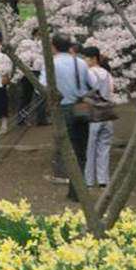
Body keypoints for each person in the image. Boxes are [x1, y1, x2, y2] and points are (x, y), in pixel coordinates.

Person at [40, 34, 93, 201]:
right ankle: (77, 189)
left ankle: (69, 183)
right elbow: (88, 86)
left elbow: (42, 87)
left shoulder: (51, 64)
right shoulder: (80, 62)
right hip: (81, 108)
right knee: (80, 150)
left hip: (62, 108)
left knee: (64, 148)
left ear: (53, 47)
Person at [80, 46, 115, 189]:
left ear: (93, 58)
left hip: (92, 114)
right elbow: (112, 91)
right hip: (107, 113)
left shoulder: (88, 74)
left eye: (85, 58)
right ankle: (103, 180)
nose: (84, 61)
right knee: (104, 147)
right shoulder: (107, 74)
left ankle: (88, 180)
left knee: (89, 148)